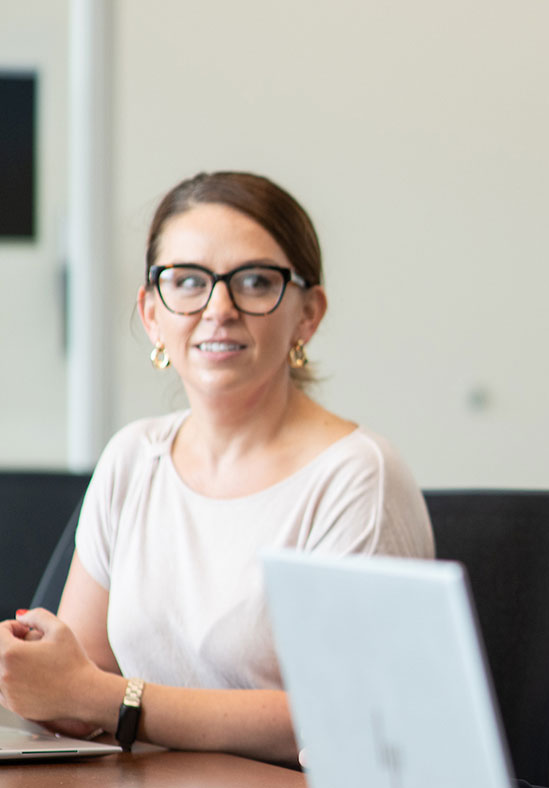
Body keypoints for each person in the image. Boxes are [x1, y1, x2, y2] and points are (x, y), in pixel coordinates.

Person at [0, 172, 434, 765]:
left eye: (255, 281)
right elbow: (77, 691)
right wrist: (33, 670)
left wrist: (110, 700)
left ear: (308, 315)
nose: (219, 309)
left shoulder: (358, 477)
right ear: (151, 313)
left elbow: (348, 718)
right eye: (187, 281)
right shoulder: (133, 457)